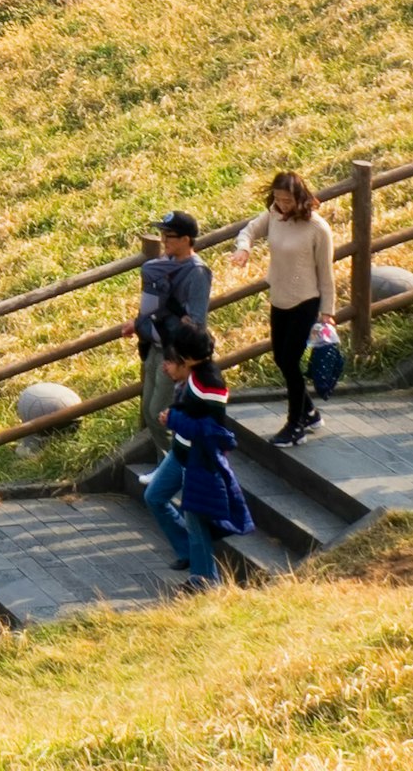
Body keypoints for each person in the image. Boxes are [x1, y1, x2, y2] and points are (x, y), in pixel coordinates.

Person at [138, 323, 253, 587]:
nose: (166, 365)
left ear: (187, 359)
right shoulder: (192, 376)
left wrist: (174, 418)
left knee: (196, 519)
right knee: (154, 497)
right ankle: (187, 551)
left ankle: (205, 580)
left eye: (172, 358)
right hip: (180, 452)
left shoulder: (210, 384)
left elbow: (210, 431)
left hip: (199, 461)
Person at [233, 171, 339, 446]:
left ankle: (296, 424)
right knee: (281, 358)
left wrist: (328, 311)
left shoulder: (317, 228)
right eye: (278, 199)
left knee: (290, 361)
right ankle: (311, 412)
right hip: (279, 298)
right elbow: (249, 230)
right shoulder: (273, 215)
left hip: (305, 301)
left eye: (288, 200)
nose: (283, 205)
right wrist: (243, 248)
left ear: (300, 197)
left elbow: (326, 274)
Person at [132, 212, 211, 450]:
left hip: (175, 352)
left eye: (170, 236)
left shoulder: (198, 272)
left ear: (187, 239)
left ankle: (173, 466)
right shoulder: (161, 266)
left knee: (160, 412)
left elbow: (196, 320)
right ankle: (163, 465)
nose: (164, 240)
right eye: (163, 235)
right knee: (148, 410)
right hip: (156, 345)